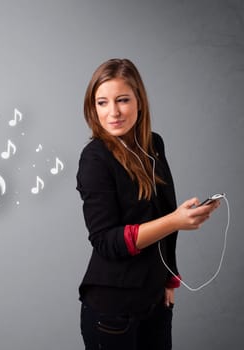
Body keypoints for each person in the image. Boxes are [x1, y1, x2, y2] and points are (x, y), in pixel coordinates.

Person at [76, 58, 220, 350]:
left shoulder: (154, 144)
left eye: (122, 100)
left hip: (154, 300)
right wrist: (176, 221)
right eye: (102, 103)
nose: (113, 112)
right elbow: (106, 241)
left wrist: (169, 279)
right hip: (112, 310)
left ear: (139, 101)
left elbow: (163, 214)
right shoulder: (94, 158)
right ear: (93, 108)